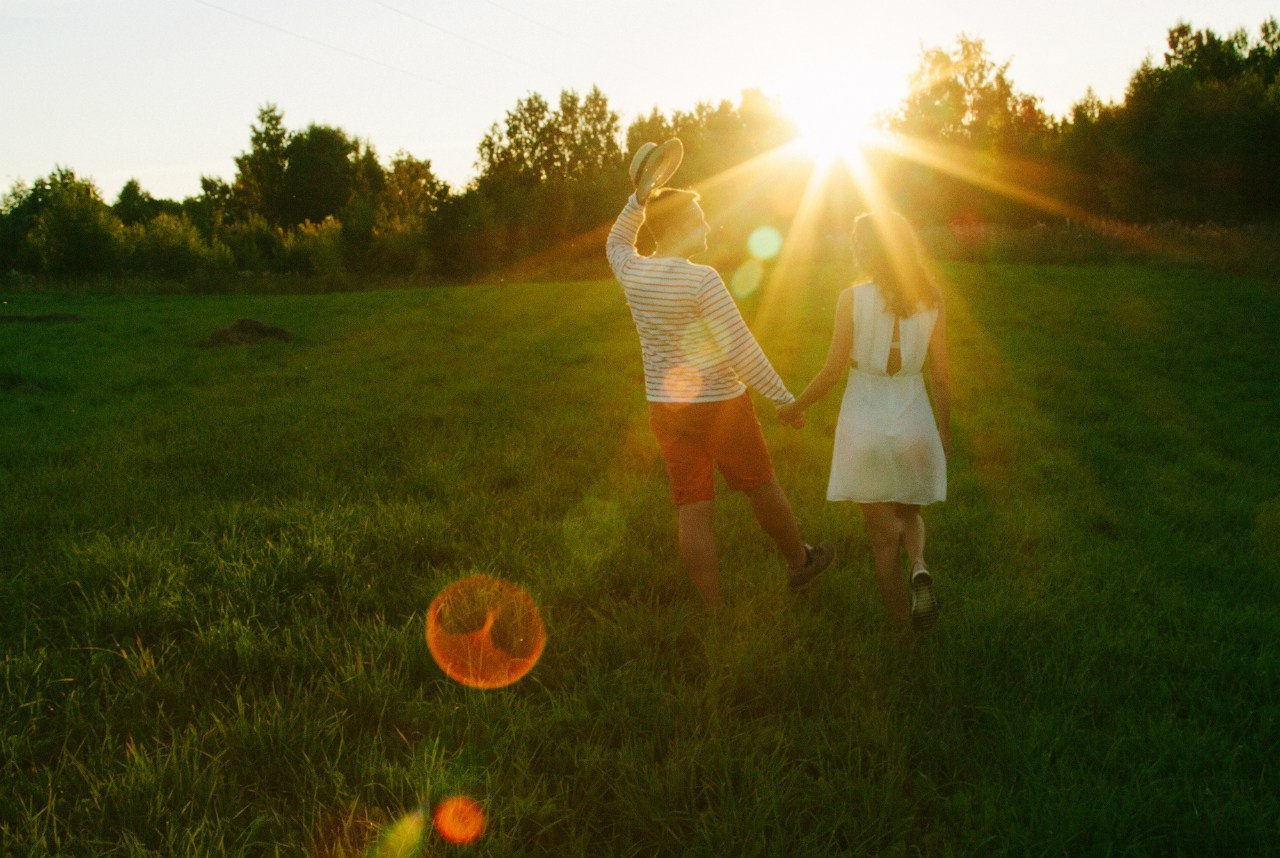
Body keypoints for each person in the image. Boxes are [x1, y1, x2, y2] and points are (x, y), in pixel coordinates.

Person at [606, 179, 834, 608]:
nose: (708, 226)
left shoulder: (632, 271)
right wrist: (784, 399)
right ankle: (800, 563)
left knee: (693, 507)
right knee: (761, 487)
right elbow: (740, 348)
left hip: (664, 407)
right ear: (680, 229)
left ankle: (713, 609)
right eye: (699, 219)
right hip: (721, 407)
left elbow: (617, 240)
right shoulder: (701, 281)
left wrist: (637, 199)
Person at [778, 211, 951, 630]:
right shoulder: (932, 299)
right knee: (909, 511)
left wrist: (795, 406)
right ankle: (919, 564)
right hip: (913, 417)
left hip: (865, 421)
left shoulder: (851, 300)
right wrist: (942, 437)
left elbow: (832, 371)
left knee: (880, 541)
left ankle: (902, 634)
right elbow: (941, 376)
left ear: (866, 250)